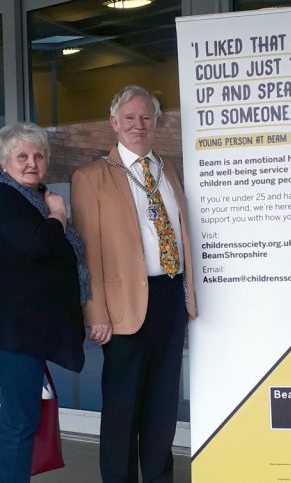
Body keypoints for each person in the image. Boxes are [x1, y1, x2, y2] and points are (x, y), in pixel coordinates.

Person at [71, 85, 197, 483]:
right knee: (123, 410)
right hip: (121, 306)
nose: (138, 125)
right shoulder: (91, 177)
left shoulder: (168, 169)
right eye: (129, 118)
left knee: (162, 408)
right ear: (113, 123)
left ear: (156, 123)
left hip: (169, 298)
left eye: (146, 118)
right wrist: (95, 311)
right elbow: (87, 252)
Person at [0, 122, 88, 482]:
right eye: (22, 156)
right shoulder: (4, 201)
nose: (32, 162)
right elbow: (40, 245)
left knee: (23, 418)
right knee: (20, 420)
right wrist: (59, 216)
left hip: (26, 332)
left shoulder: (32, 199)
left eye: (38, 155)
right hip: (12, 333)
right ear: (4, 162)